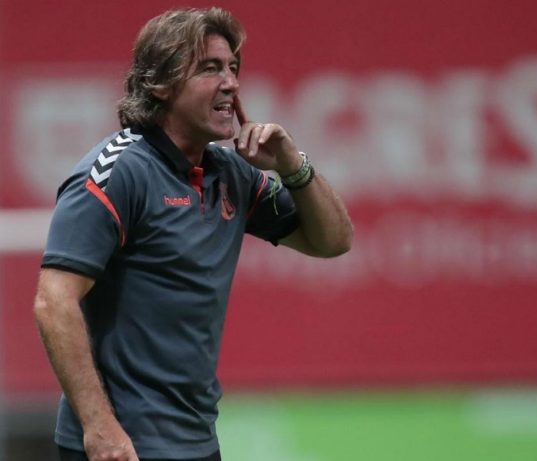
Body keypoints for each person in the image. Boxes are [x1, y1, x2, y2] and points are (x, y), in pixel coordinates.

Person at [33, 7, 353, 461]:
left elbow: (333, 241)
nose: (231, 83)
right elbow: (53, 302)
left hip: (196, 442)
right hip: (123, 447)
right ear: (160, 83)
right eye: (210, 68)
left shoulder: (231, 173)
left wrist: (291, 164)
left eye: (233, 68)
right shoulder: (117, 171)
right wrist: (100, 428)